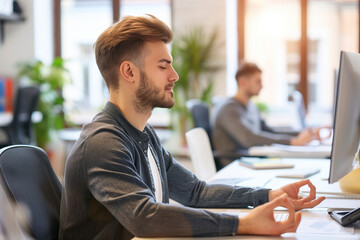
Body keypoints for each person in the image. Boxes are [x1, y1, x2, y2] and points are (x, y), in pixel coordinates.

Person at [58, 15, 325, 239]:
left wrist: (268, 195)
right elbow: (145, 217)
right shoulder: (103, 142)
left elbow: (195, 192)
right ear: (129, 72)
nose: (174, 76)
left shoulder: (143, 133)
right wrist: (240, 224)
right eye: (163, 66)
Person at [212, 62, 329, 167]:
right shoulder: (229, 109)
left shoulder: (251, 106)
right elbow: (248, 138)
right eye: (258, 81)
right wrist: (292, 142)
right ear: (243, 82)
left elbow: (269, 130)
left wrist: (305, 133)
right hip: (235, 164)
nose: (262, 86)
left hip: (251, 160)